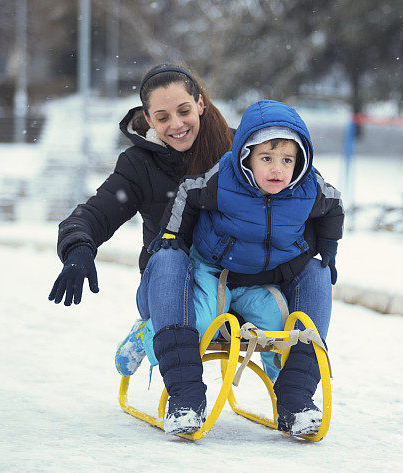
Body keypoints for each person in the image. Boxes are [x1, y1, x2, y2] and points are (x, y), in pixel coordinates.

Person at [47, 64, 336, 436]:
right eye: (162, 116)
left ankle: (297, 396)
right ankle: (173, 374)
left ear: (200, 103)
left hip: (249, 280)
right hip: (176, 287)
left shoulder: (242, 150)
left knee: (315, 272)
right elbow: (96, 212)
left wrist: (321, 248)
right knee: (169, 256)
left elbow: (301, 197)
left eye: (183, 110)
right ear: (148, 118)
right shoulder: (139, 165)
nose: (176, 124)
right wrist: (78, 245)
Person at [150, 99, 343, 435]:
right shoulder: (225, 178)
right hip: (216, 270)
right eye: (266, 159)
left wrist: (328, 249)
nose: (277, 170)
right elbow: (189, 192)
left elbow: (335, 206)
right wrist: (172, 235)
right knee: (203, 320)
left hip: (263, 282)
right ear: (246, 157)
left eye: (287, 160)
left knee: (279, 327)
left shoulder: (308, 186)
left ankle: (292, 398)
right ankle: (185, 399)